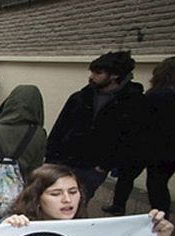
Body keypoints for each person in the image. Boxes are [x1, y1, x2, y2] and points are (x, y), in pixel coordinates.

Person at [4, 164, 173, 236]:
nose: (67, 200)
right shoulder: (15, 224)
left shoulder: (88, 235)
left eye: (73, 191)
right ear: (36, 198)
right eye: (56, 194)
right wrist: (3, 233)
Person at [46, 51, 148, 202]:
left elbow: (131, 137)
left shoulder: (133, 102)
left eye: (98, 73)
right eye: (92, 72)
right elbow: (61, 127)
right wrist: (50, 156)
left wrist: (106, 164)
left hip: (93, 167)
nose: (92, 76)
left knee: (78, 202)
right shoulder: (80, 97)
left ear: (114, 75)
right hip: (65, 160)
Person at [104, 56, 175, 216]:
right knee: (158, 184)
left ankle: (122, 207)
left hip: (146, 146)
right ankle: (161, 214)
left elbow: (141, 121)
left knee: (131, 178)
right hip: (168, 150)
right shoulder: (173, 95)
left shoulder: (158, 95)